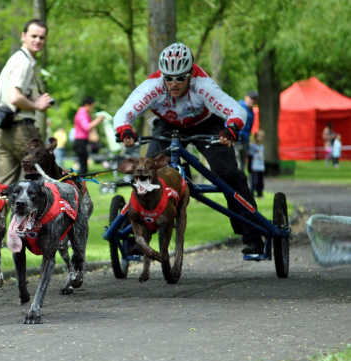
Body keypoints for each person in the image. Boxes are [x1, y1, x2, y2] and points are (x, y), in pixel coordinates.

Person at [114, 42, 264, 255]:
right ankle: (137, 236)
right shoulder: (153, 85)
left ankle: (253, 235)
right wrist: (125, 130)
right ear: (162, 75)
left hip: (207, 124)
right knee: (147, 173)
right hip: (167, 126)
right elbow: (124, 113)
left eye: (180, 78)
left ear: (191, 74)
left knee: (227, 173)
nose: (174, 84)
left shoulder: (203, 84)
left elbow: (236, 110)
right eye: (169, 78)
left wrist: (231, 129)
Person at [0, 18, 53, 186]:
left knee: (4, 187)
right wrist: (37, 105)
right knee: (44, 179)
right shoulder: (24, 63)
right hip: (21, 130)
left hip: (3, 131)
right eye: (34, 36)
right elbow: (15, 97)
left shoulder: (15, 59)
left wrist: (33, 99)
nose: (38, 40)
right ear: (23, 36)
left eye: (42, 37)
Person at [73, 96, 104, 175]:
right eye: (92, 106)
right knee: (83, 166)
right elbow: (87, 127)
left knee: (84, 165)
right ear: (87, 104)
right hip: (80, 141)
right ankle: (79, 182)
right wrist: (98, 120)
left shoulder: (85, 114)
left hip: (83, 141)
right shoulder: (82, 114)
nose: (92, 108)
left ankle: (80, 180)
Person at [235, 90, 258, 172]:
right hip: (236, 140)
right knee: (237, 164)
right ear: (246, 97)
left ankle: (239, 183)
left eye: (254, 99)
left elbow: (250, 129)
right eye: (251, 98)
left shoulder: (252, 112)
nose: (253, 100)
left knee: (242, 166)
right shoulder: (239, 106)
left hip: (245, 141)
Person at [249, 130, 266, 198]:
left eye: (261, 136)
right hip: (254, 166)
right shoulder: (253, 147)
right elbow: (250, 155)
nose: (260, 138)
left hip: (261, 167)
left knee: (260, 181)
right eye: (258, 136)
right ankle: (252, 192)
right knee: (254, 181)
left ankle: (260, 193)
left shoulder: (262, 147)